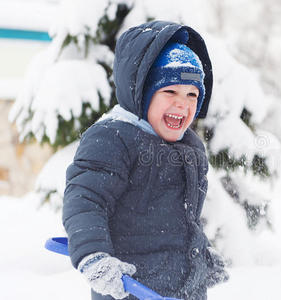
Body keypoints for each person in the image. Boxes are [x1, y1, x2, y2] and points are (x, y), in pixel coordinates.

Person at [62, 20, 229, 300]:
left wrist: (199, 255)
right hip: (130, 290)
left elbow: (185, 218)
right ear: (142, 92)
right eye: (170, 91)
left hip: (185, 291)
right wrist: (93, 256)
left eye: (192, 94)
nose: (182, 103)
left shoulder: (191, 148)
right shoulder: (112, 138)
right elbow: (85, 200)